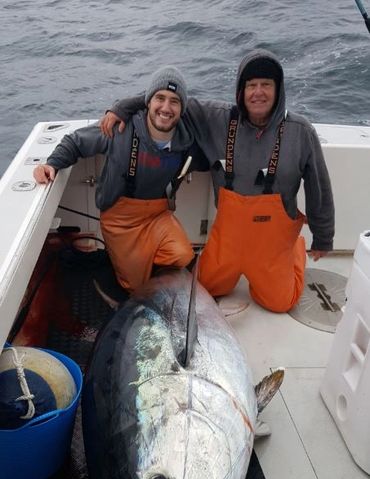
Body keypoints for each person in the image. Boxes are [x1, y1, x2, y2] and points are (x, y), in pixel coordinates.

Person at [101, 49, 335, 313]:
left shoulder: (301, 132)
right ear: (240, 90)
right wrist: (122, 107)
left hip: (273, 243)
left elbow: (319, 186)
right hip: (228, 239)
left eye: (266, 85)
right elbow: (168, 100)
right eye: (251, 85)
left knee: (281, 303)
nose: (258, 92)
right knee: (202, 291)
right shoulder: (218, 118)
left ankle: (294, 250)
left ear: (278, 90)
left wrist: (323, 237)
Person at [33, 66, 208, 295]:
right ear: (148, 101)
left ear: (182, 108)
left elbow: (213, 156)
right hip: (120, 221)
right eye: (160, 98)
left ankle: (156, 279)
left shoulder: (187, 142)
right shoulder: (121, 129)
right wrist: (52, 163)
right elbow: (76, 141)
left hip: (158, 216)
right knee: (134, 287)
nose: (166, 108)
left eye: (174, 101)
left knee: (183, 256)